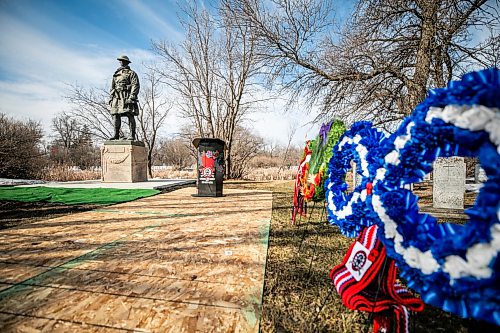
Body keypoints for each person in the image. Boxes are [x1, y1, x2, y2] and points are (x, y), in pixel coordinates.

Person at [108, 55, 140, 140]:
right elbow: (112, 87)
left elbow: (135, 85)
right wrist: (111, 98)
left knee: (130, 114)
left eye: (122, 60)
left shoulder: (131, 73)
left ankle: (132, 135)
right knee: (115, 115)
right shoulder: (116, 74)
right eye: (120, 61)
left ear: (126, 62)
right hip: (117, 97)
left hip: (126, 95)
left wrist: (132, 96)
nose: (121, 62)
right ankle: (116, 134)